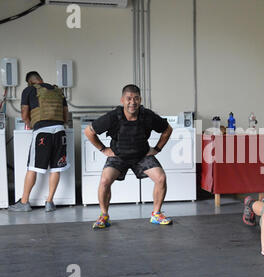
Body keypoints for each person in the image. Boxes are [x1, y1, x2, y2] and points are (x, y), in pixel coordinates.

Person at [84, 84, 173, 229]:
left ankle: (156, 214)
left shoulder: (147, 115)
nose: (133, 102)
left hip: (142, 156)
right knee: (105, 181)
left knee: (161, 178)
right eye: (129, 98)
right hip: (118, 155)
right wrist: (103, 149)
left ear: (140, 99)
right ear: (122, 100)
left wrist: (157, 148)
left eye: (136, 98)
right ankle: (104, 216)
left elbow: (168, 130)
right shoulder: (113, 117)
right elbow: (89, 132)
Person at [8, 71, 69, 213]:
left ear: (30, 82)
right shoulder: (58, 91)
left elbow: (24, 114)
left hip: (42, 132)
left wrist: (31, 125)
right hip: (60, 131)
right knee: (56, 168)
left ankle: (24, 202)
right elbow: (66, 116)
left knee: (33, 168)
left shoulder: (29, 90)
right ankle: (49, 202)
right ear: (40, 79)